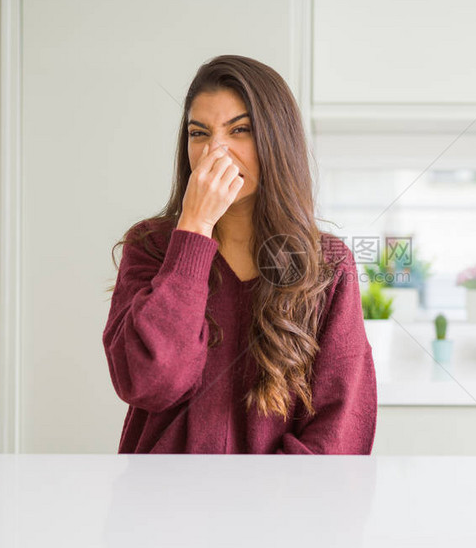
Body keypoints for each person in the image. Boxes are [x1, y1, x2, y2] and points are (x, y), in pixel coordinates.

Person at [102, 55, 377, 454]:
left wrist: (266, 503)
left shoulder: (328, 263)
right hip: (159, 505)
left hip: (279, 509)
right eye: (200, 134)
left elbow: (341, 427)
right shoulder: (150, 247)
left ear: (275, 140)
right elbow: (151, 382)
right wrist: (193, 230)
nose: (217, 151)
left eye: (240, 130)